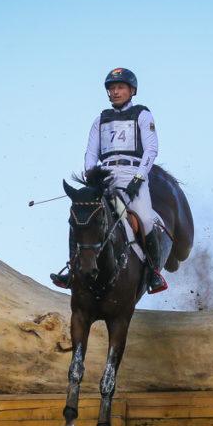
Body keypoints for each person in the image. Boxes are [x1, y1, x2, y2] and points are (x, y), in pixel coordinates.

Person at [51, 67, 171, 294]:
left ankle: (154, 273)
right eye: (112, 88)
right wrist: (91, 175)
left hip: (133, 173)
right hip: (105, 177)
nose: (115, 92)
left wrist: (139, 177)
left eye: (120, 88)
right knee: (81, 216)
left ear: (131, 90)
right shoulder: (100, 120)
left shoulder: (143, 115)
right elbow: (90, 153)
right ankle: (71, 271)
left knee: (145, 220)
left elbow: (152, 149)